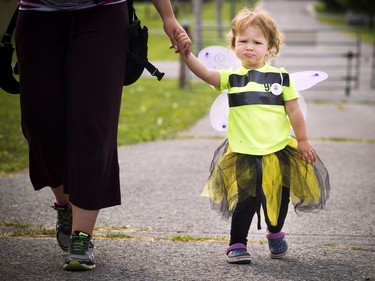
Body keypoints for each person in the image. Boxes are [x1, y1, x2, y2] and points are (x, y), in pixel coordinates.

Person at [15, 0, 191, 271]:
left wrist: (168, 16)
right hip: (37, 16)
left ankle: (81, 237)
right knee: (39, 123)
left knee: (93, 125)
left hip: (103, 14)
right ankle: (65, 206)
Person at [174, 7, 330, 264]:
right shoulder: (232, 77)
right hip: (244, 152)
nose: (249, 47)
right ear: (233, 44)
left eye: (257, 42)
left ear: (270, 48)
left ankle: (275, 230)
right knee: (247, 198)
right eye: (242, 41)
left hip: (278, 150)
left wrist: (303, 140)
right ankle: (237, 243)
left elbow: (293, 110)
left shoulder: (282, 77)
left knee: (278, 197)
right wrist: (186, 55)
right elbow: (205, 74)